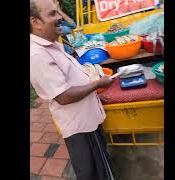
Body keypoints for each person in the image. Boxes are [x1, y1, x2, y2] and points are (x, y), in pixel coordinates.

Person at [29, 0, 115, 179]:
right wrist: (97, 85)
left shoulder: (50, 42)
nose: (60, 17)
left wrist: (93, 95)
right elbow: (63, 96)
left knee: (99, 166)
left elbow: (70, 80)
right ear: (35, 22)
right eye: (52, 14)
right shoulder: (36, 54)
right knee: (94, 172)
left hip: (87, 119)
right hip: (81, 127)